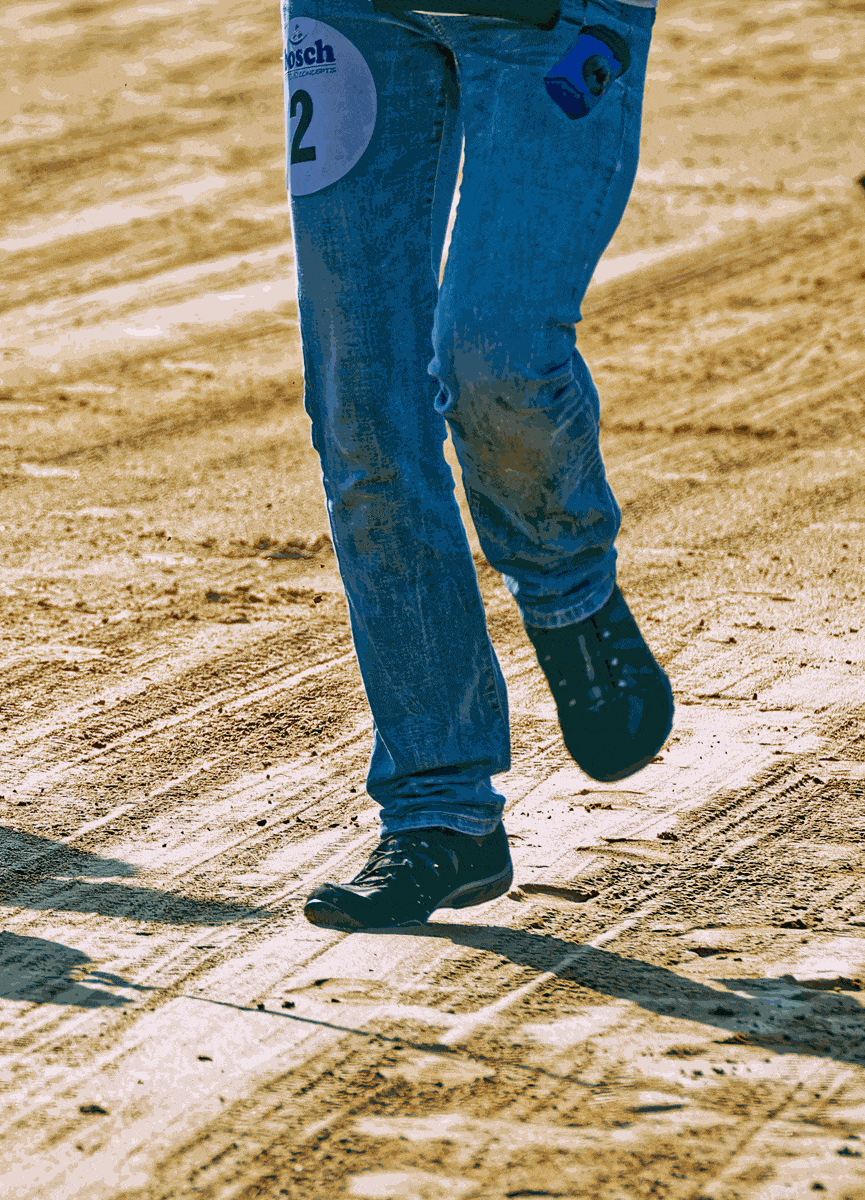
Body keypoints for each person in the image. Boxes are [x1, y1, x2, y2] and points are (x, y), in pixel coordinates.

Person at [283, 0, 672, 930]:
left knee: (493, 351)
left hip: (550, 16)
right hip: (355, 16)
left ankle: (565, 585)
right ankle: (439, 812)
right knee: (362, 409)